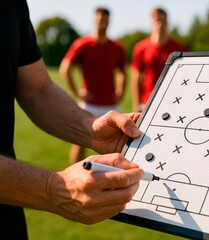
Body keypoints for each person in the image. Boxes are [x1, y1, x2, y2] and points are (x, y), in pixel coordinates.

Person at [1, 1, 144, 239]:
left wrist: (89, 128)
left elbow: (36, 89)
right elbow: (67, 67)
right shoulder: (82, 44)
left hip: (8, 219)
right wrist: (54, 188)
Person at [60, 7, 127, 164]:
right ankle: (76, 179)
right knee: (79, 144)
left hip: (111, 106)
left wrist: (120, 91)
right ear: (93, 20)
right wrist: (77, 92)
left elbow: (123, 72)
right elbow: (65, 68)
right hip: (88, 104)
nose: (101, 23)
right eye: (98, 20)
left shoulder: (117, 47)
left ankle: (112, 182)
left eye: (104, 20)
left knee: (117, 147)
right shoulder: (82, 44)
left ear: (108, 22)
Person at [131, 7, 187, 112]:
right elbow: (136, 78)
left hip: (172, 101)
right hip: (147, 102)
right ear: (152, 22)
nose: (160, 24)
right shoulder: (140, 47)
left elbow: (185, 78)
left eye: (163, 21)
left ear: (167, 23)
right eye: (157, 20)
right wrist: (136, 105)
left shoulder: (180, 49)